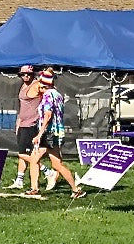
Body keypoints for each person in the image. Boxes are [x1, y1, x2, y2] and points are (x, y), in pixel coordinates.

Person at [24, 69, 85, 199]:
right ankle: (35, 188)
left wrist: (39, 134)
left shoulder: (47, 95)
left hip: (49, 133)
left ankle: (75, 189)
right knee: (37, 160)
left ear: (43, 84)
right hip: (56, 133)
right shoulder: (57, 94)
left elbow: (48, 115)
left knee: (53, 163)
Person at [8, 65, 52, 190]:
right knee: (22, 152)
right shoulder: (23, 86)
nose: (26, 76)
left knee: (24, 154)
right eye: (23, 74)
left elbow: (48, 91)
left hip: (32, 125)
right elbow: (23, 106)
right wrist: (18, 122)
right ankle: (19, 179)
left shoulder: (37, 85)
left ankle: (47, 171)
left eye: (29, 74)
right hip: (23, 124)